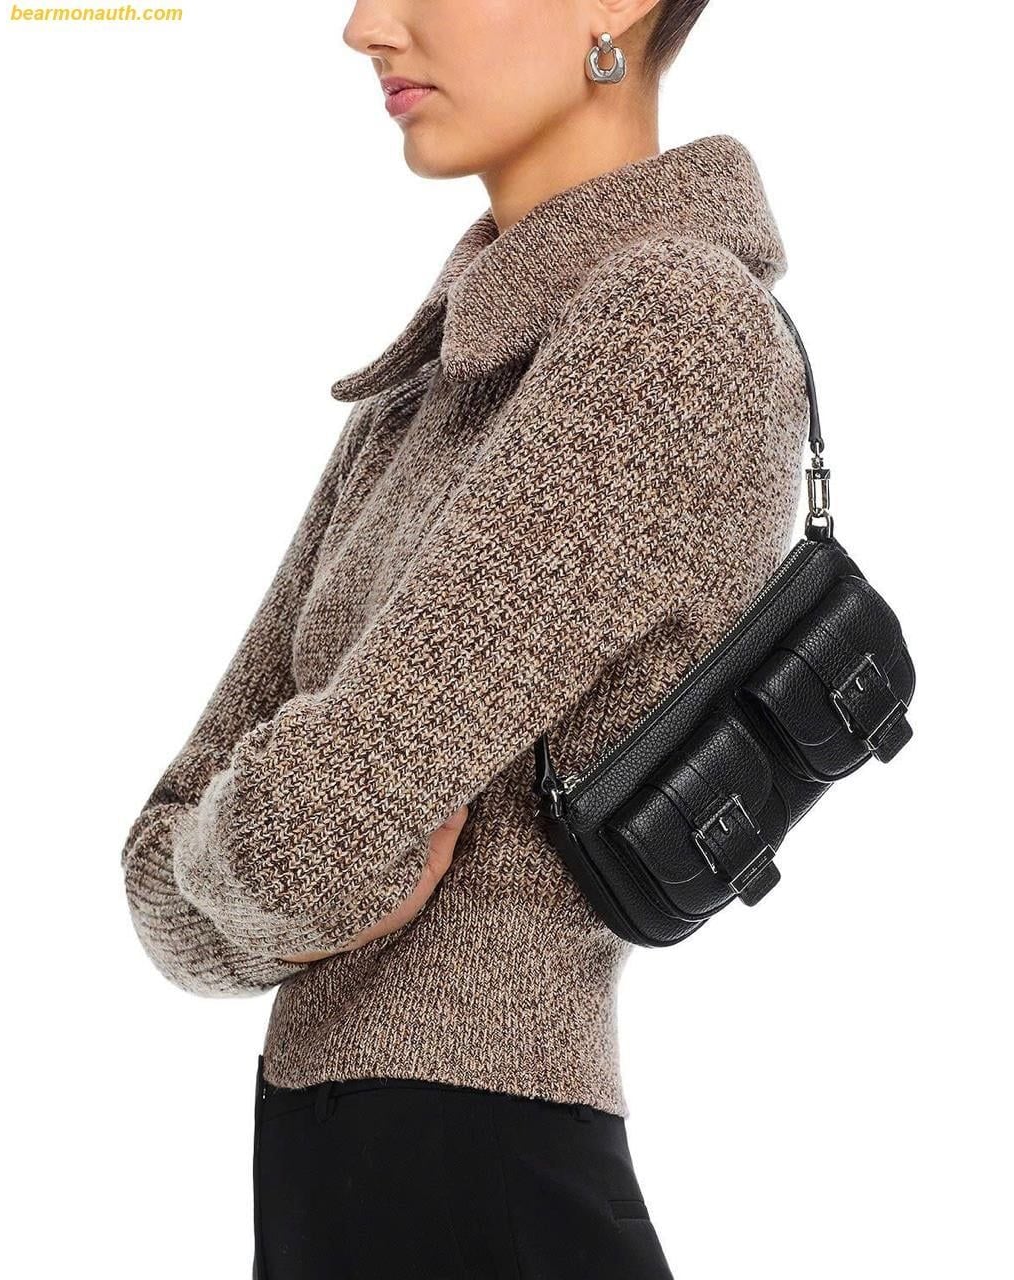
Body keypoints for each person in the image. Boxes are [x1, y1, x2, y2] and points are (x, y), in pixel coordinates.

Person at [120, 1, 809, 1275]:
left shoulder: (669, 326)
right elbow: (163, 868)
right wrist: (288, 852)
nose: (363, 27)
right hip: (354, 1167)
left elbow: (303, 834)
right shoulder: (426, 391)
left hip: (481, 1174)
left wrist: (287, 854)